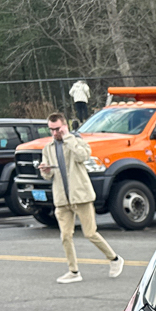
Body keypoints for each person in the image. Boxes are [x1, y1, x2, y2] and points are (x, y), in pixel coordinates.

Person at [38, 113, 124, 285]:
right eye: (51, 130)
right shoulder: (48, 148)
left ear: (65, 126)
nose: (55, 133)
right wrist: (45, 170)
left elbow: (82, 156)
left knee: (90, 233)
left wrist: (68, 138)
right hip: (62, 199)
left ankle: (114, 259)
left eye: (58, 129)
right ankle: (73, 271)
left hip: (81, 196)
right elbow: (48, 176)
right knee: (65, 236)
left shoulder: (77, 141)